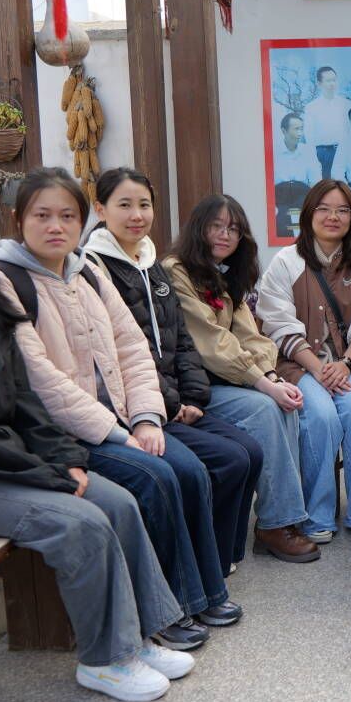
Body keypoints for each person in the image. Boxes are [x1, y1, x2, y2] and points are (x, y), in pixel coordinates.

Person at [0, 187, 194, 702]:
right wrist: (50, 475)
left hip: (11, 464)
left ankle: (141, 637)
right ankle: (105, 661)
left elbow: (25, 401)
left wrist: (66, 459)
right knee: (81, 522)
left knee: (118, 502)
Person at [0, 168, 231, 650]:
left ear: (83, 220)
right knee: (154, 477)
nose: (56, 226)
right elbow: (41, 379)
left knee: (189, 469)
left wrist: (145, 418)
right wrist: (119, 433)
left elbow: (133, 348)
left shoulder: (87, 272)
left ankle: (202, 594)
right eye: (42, 215)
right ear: (19, 220)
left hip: (123, 419)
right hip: (66, 435)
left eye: (67, 216)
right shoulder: (4, 279)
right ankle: (168, 610)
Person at [85, 167, 264, 578]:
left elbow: (181, 339)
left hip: (173, 399)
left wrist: (193, 398)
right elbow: (125, 354)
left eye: (144, 205)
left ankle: (221, 557)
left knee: (249, 452)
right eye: (124, 205)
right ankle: (203, 566)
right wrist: (170, 402)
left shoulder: (153, 265)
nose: (136, 215)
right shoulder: (95, 269)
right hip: (134, 407)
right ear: (100, 209)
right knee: (222, 461)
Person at [163, 194, 321, 563]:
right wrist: (263, 384)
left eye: (233, 229)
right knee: (264, 408)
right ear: (198, 228)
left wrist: (272, 376)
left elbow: (250, 335)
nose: (225, 235)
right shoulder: (176, 271)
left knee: (285, 404)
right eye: (216, 226)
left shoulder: (221, 274)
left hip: (223, 380)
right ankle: (277, 522)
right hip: (190, 388)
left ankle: (281, 519)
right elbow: (211, 342)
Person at [257, 179, 351, 541]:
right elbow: (277, 325)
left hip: (347, 365)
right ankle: (317, 515)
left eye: (343, 210)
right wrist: (318, 369)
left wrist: (345, 365)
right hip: (298, 366)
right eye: (325, 209)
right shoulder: (286, 262)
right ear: (309, 214)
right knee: (321, 417)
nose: (334, 217)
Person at [273, 112, 321, 236]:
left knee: (308, 224)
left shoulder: (308, 151)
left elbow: (315, 179)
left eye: (301, 129)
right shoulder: (273, 151)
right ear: (284, 131)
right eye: (296, 129)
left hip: (302, 193)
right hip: (279, 194)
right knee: (281, 223)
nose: (300, 133)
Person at [303, 66, 351, 179]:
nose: (332, 84)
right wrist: (314, 160)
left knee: (344, 187)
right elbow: (309, 137)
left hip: (344, 151)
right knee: (326, 187)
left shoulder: (346, 104)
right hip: (323, 155)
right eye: (328, 81)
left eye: (334, 80)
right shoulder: (311, 107)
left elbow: (350, 130)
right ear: (319, 83)